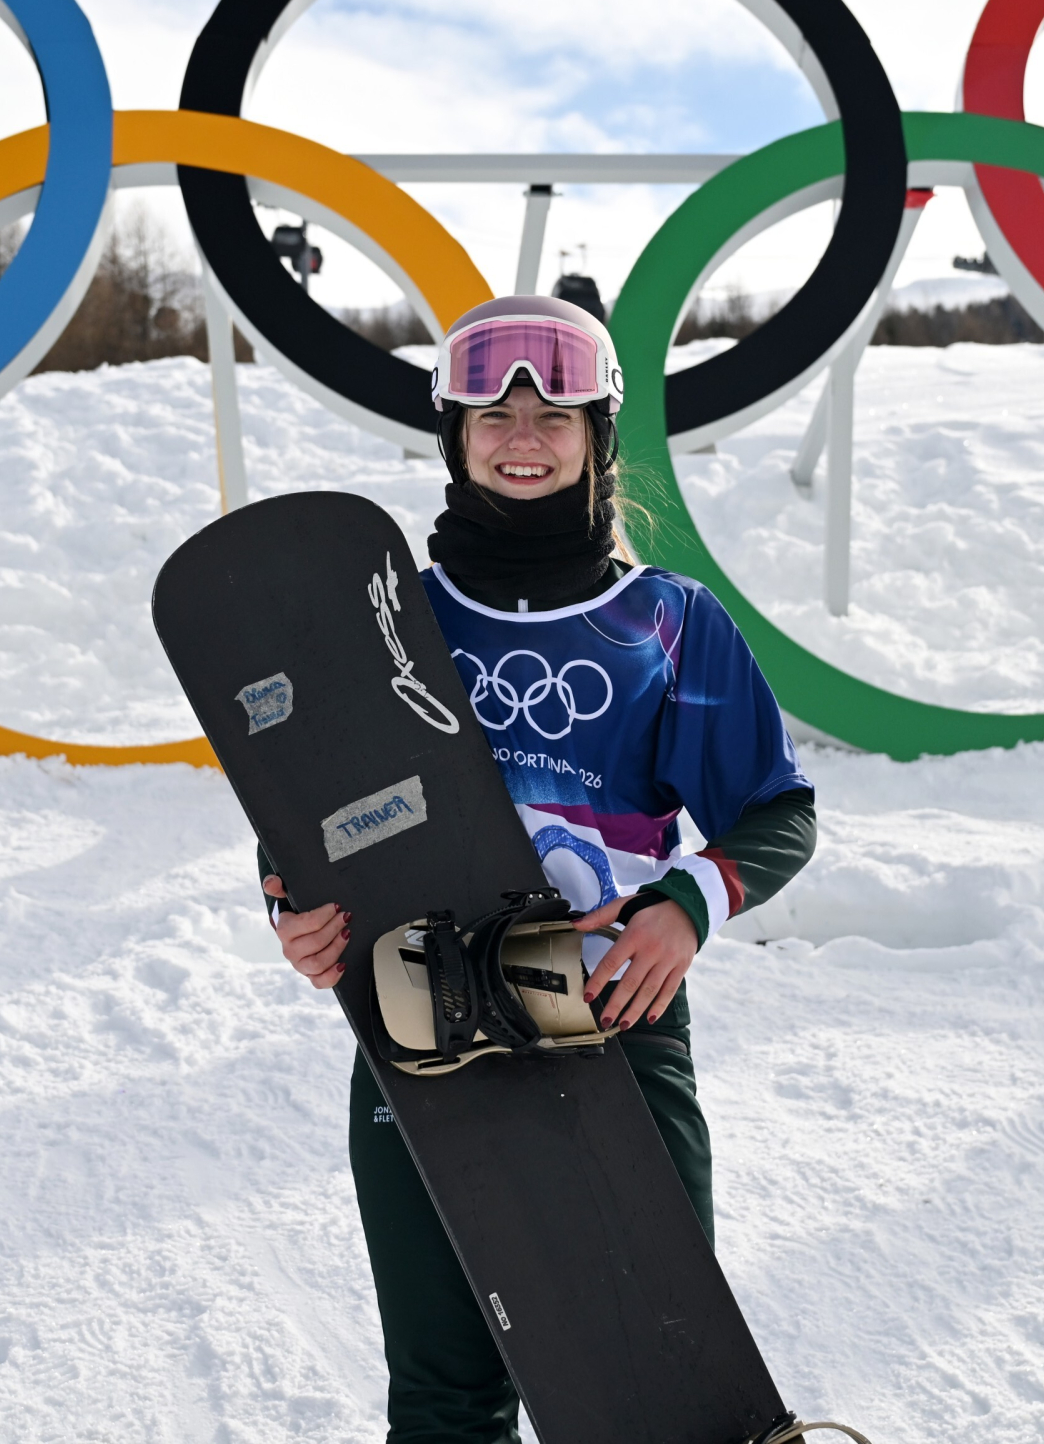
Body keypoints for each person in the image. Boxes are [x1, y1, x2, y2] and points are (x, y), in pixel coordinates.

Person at [260, 294, 817, 1444]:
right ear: (455, 437)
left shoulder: (668, 623)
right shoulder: (393, 622)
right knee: (446, 1402)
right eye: (494, 415)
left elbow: (776, 810)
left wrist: (685, 906)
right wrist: (291, 904)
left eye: (555, 414)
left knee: (653, 1389)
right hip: (421, 1017)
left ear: (597, 436)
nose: (524, 436)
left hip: (614, 1018)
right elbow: (312, 818)